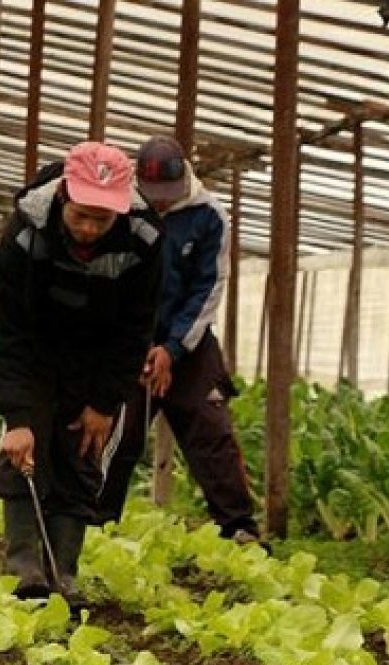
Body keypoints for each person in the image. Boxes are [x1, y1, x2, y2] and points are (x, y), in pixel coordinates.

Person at [0, 142, 163, 606]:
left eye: (101, 220)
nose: (88, 229)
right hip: (35, 352)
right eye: (81, 215)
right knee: (25, 448)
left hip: (98, 359)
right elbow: (5, 327)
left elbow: (135, 329)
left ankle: (63, 570)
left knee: (83, 453)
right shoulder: (26, 231)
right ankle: (25, 565)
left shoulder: (143, 239)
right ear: (64, 194)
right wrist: (18, 415)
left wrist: (105, 404)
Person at [95, 136, 263, 543]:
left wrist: (173, 348)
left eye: (168, 196)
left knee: (209, 426)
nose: (162, 205)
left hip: (190, 339)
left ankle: (238, 525)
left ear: (185, 176)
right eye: (155, 197)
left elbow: (208, 286)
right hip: (131, 338)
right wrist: (134, 346)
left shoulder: (209, 215)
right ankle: (93, 519)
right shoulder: (122, 210)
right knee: (118, 428)